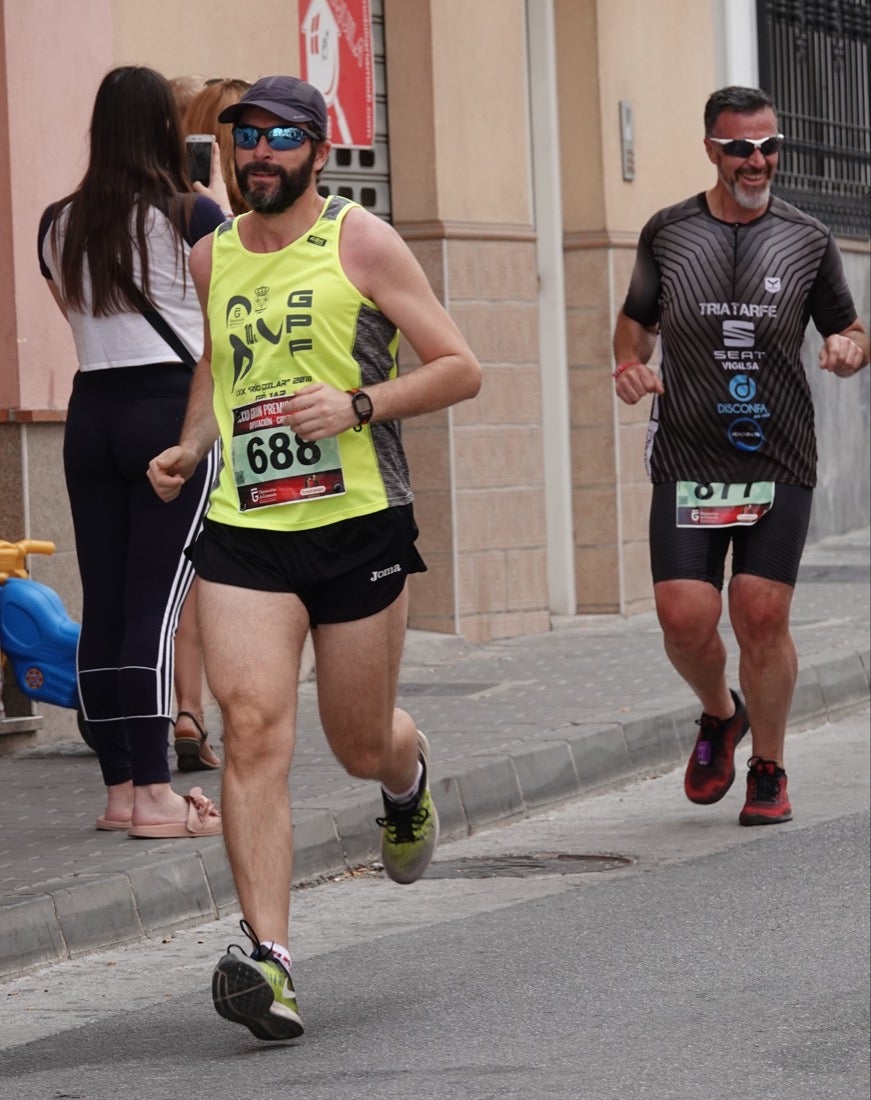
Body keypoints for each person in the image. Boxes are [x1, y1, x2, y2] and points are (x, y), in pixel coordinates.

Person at [148, 74, 481, 1040]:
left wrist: (359, 405)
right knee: (250, 730)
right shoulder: (211, 256)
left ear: (317, 152)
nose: (258, 152)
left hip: (358, 524)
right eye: (243, 136)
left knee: (354, 739)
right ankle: (270, 959)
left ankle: (403, 773)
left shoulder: (359, 240)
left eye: (280, 137)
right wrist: (190, 444)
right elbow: (222, 367)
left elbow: (459, 365)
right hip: (248, 529)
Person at [612, 85, 869, 828]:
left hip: (777, 449)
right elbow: (632, 327)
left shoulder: (807, 238)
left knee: (759, 611)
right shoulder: (667, 234)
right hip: (689, 451)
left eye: (768, 147)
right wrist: (630, 369)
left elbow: (850, 329)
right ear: (710, 150)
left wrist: (848, 349)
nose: (757, 161)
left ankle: (768, 764)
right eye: (739, 148)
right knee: (682, 615)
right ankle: (722, 715)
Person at [38, 65, 224, 838]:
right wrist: (195, 435)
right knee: (156, 606)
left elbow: (75, 313)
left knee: (107, 606)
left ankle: (120, 790)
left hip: (91, 414)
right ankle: (156, 791)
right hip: (167, 413)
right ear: (164, 129)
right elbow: (223, 326)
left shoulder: (57, 222)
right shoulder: (193, 213)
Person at [169, 77, 254, 771]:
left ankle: (186, 709)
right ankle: (204, 710)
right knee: (211, 562)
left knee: (183, 567)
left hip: (161, 386)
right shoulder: (212, 217)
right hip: (214, 390)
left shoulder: (150, 206)